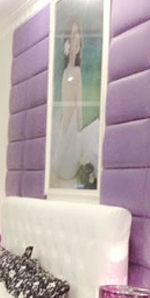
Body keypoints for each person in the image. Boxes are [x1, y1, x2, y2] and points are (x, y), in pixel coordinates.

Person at [52, 20, 99, 187]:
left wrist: (78, 120)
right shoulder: (67, 72)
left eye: (78, 35)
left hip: (71, 119)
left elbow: (78, 99)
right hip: (67, 118)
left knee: (70, 147)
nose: (76, 39)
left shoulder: (76, 72)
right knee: (63, 146)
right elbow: (65, 97)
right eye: (72, 36)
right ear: (67, 43)